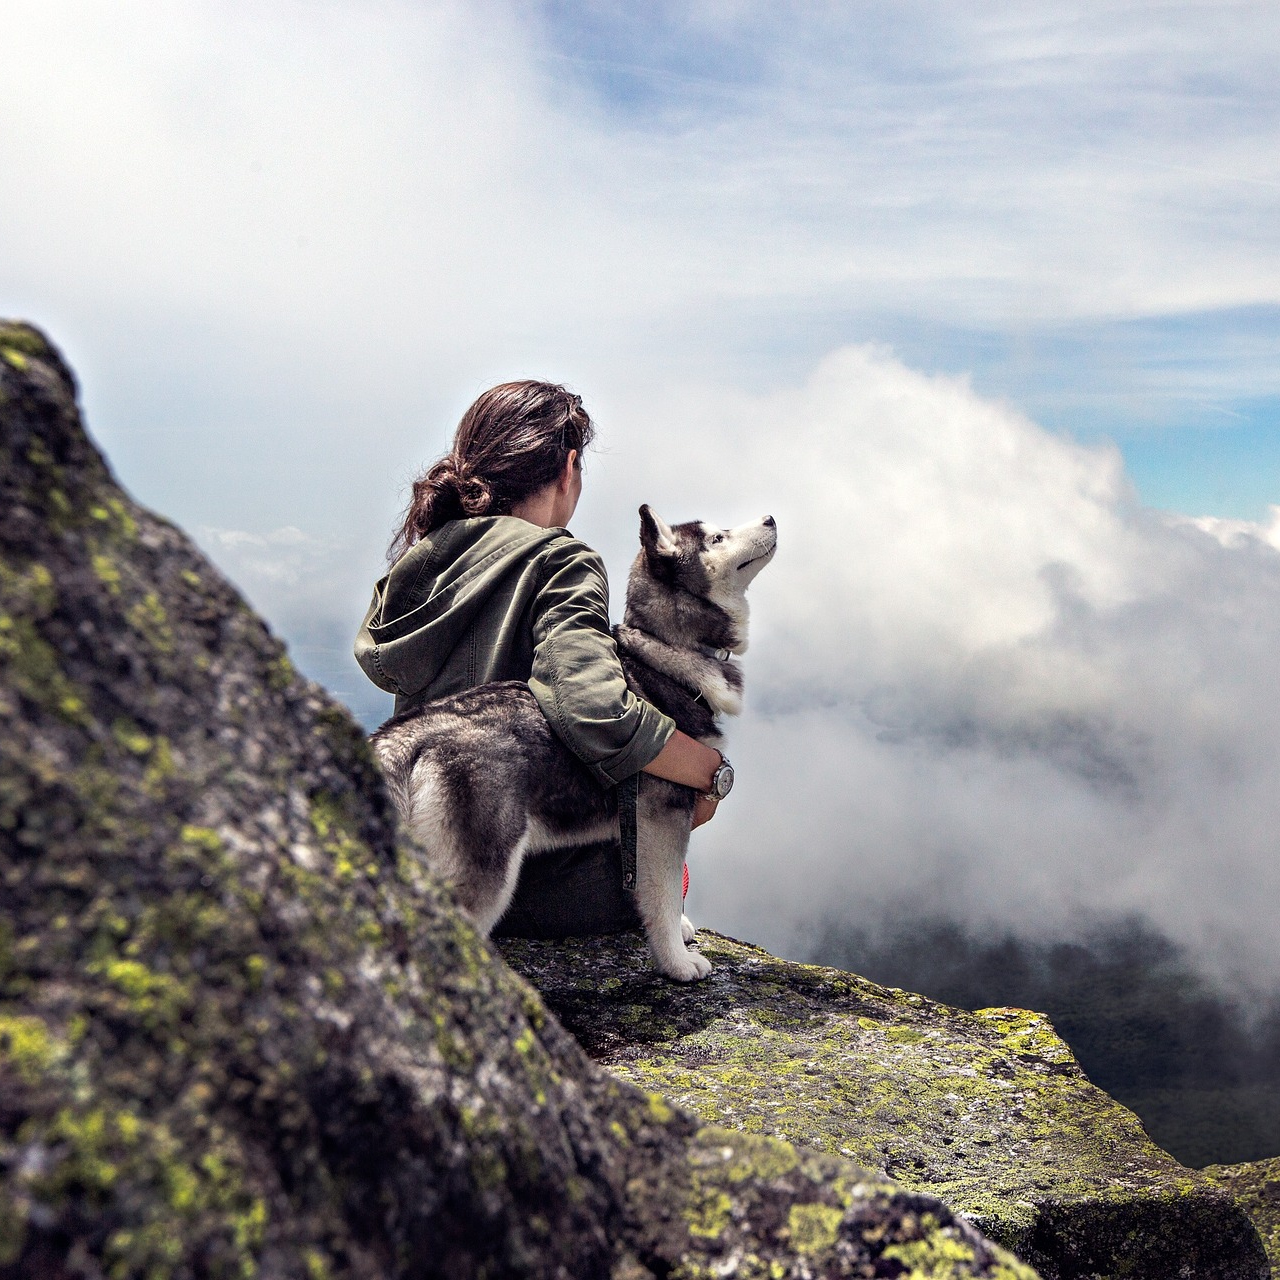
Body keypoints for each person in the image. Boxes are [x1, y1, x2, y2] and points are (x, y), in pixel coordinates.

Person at [354, 380, 725, 937]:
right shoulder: (560, 561)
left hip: (424, 868)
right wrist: (707, 772)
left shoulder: (419, 565)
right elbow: (593, 704)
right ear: (569, 467)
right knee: (669, 852)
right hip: (534, 888)